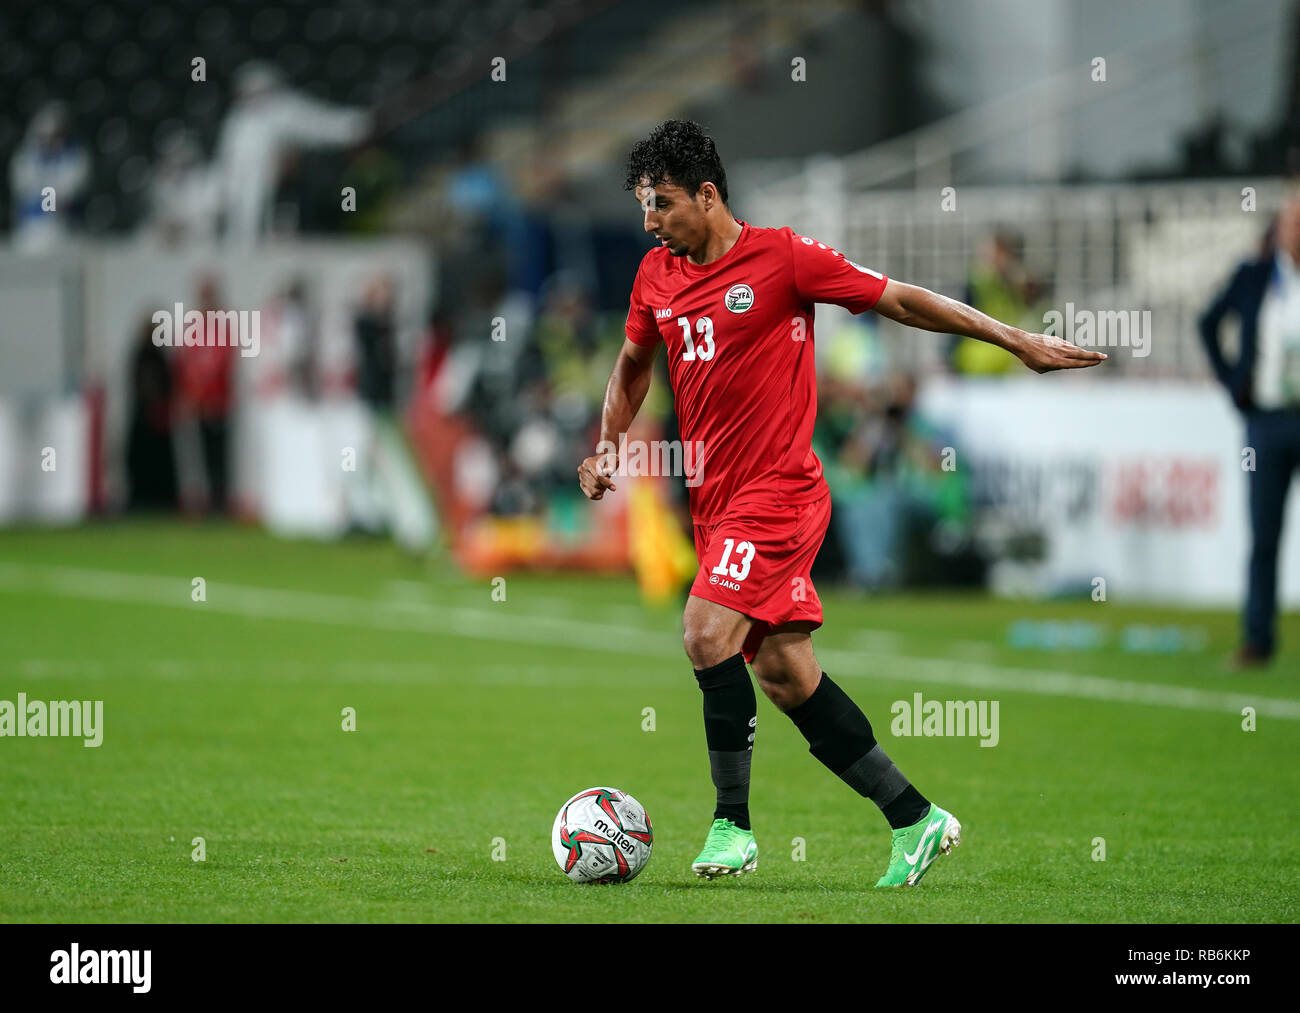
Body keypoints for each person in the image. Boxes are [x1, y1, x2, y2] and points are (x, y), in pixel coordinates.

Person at [577, 120, 1105, 887]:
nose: (649, 222)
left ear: (708, 194)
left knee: (702, 630)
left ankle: (732, 826)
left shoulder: (785, 258)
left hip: (780, 495)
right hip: (718, 505)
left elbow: (900, 300)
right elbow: (632, 365)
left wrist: (1012, 338)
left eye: (659, 204)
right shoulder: (656, 275)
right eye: (644, 207)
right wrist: (606, 444)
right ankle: (917, 818)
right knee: (787, 677)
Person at [1200, 198, 1300, 669]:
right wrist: (1232, 383)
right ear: (1278, 229)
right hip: (1267, 419)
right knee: (1264, 534)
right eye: (1291, 222)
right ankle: (1257, 640)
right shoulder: (1256, 275)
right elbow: (1208, 322)